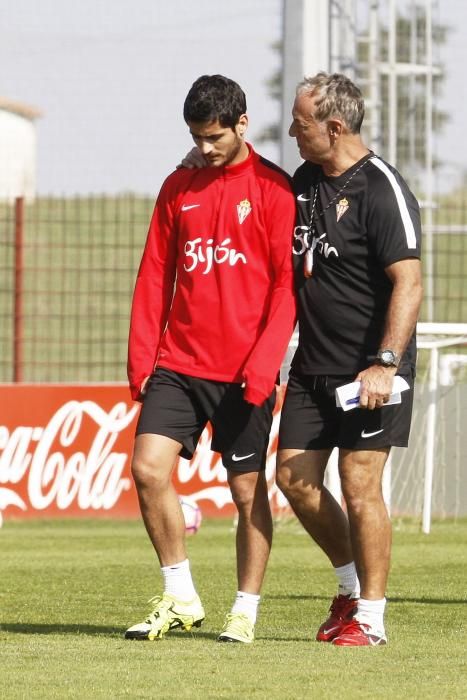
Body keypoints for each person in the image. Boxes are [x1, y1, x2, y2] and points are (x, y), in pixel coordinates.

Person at [125, 74, 296, 644]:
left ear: (242, 124)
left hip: (244, 371)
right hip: (179, 361)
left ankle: (245, 608)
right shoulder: (179, 186)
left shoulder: (274, 190)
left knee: (246, 492)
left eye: (214, 137)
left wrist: (264, 365)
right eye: (196, 137)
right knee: (148, 469)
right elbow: (156, 272)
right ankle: (180, 595)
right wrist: (142, 358)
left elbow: (283, 288)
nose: (205, 148)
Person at [276, 72, 423, 646]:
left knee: (360, 485)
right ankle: (348, 589)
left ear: (334, 127)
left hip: (371, 372)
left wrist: (385, 362)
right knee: (293, 478)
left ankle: (373, 619)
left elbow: (408, 284)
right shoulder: (305, 180)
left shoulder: (383, 188)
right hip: (313, 368)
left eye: (301, 122)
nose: (291, 130)